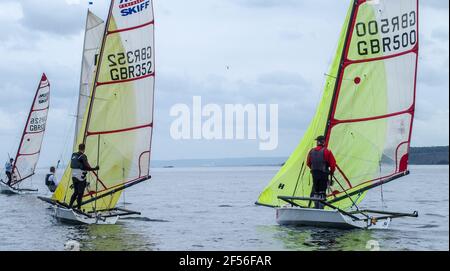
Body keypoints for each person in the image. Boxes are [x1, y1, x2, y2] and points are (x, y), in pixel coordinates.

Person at [307, 135, 336, 209]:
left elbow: (308, 163)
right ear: (324, 142)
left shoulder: (311, 151)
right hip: (323, 174)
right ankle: (321, 209)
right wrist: (331, 172)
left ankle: (316, 207)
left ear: (317, 142)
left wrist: (314, 169)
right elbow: (333, 164)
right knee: (322, 192)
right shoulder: (327, 151)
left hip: (314, 174)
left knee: (316, 192)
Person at [68, 144, 99, 210]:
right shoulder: (83, 156)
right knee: (80, 193)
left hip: (74, 176)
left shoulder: (73, 155)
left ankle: (69, 206)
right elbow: (87, 167)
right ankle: (79, 209)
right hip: (81, 177)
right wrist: (95, 168)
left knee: (75, 192)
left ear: (78, 148)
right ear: (84, 149)